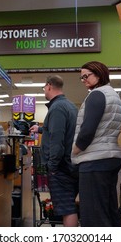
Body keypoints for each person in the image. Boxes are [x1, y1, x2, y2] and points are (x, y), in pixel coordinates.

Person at [71, 61, 121, 227]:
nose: (84, 80)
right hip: (110, 158)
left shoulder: (97, 95)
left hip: (95, 161)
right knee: (109, 211)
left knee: (94, 217)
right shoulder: (113, 95)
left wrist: (75, 150)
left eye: (86, 76)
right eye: (82, 77)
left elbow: (87, 131)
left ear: (99, 74)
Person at [30, 75, 79, 227]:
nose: (44, 89)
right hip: (71, 164)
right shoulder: (69, 105)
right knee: (69, 205)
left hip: (61, 168)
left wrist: (52, 166)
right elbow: (60, 130)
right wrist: (40, 129)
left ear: (49, 86)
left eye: (44, 87)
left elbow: (57, 140)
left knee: (67, 208)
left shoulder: (57, 107)